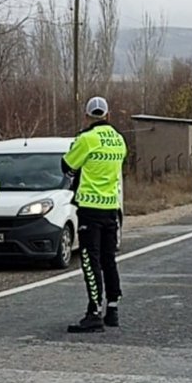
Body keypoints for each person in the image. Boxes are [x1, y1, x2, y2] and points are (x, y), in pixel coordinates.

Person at [63, 96, 128, 333]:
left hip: (90, 208)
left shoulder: (87, 139)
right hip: (111, 207)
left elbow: (67, 165)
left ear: (88, 116)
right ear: (108, 115)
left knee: (91, 261)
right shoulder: (119, 140)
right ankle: (112, 309)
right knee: (109, 259)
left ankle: (93, 312)